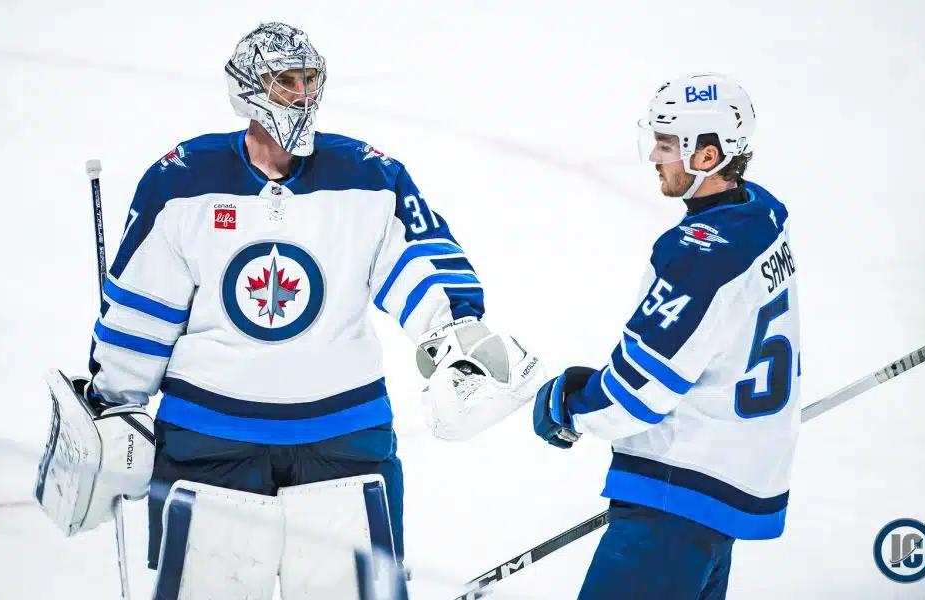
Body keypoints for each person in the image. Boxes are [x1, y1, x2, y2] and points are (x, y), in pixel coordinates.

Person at [34, 21, 545, 600]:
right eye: (286, 81)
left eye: (309, 80)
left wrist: (456, 335)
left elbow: (420, 264)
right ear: (249, 89)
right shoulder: (183, 182)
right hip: (209, 447)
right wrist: (114, 400)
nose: (302, 95)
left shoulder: (369, 178)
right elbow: (141, 313)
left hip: (344, 444)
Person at [532, 73, 802, 600]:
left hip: (672, 502)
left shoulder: (699, 255)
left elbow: (638, 394)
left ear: (708, 156)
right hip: (719, 497)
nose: (655, 157)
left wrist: (571, 408)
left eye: (667, 145)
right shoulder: (764, 214)